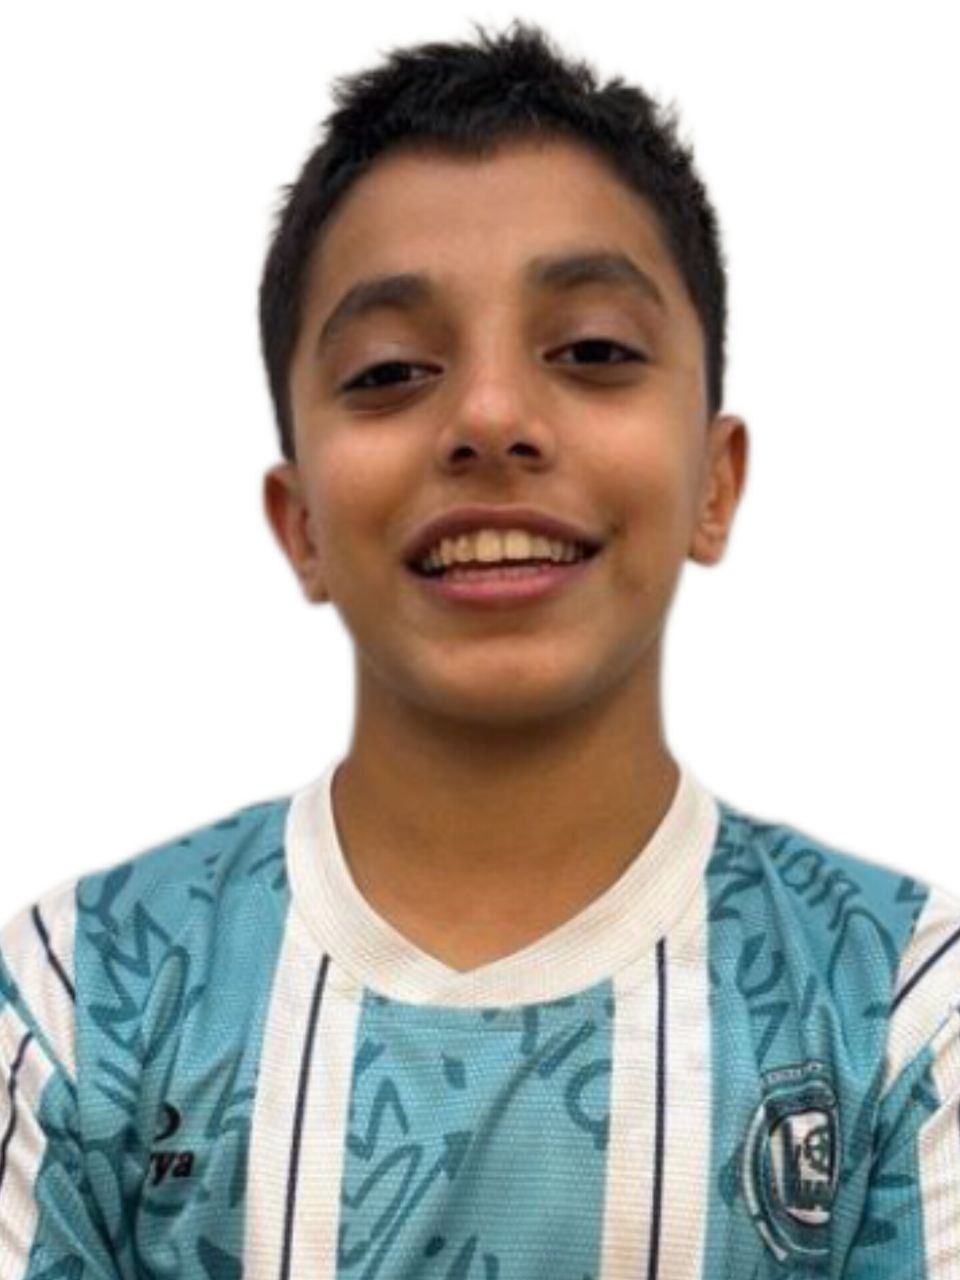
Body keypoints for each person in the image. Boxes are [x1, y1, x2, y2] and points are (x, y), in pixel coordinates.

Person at [1, 19, 958, 1278]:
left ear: (715, 482)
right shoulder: (85, 1000)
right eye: (392, 369)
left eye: (594, 351)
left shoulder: (900, 1009)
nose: (492, 415)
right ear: (300, 525)